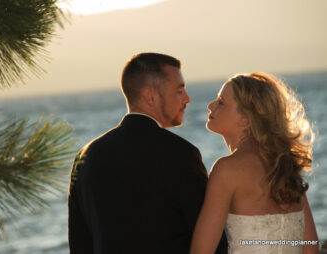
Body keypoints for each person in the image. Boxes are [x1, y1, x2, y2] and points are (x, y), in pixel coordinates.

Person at [68, 52, 228, 254]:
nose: (187, 99)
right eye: (179, 91)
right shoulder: (180, 153)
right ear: (150, 96)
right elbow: (209, 236)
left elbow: (79, 241)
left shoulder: (85, 156)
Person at [190, 72, 319, 254]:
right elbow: (311, 248)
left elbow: (201, 251)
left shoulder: (227, 169)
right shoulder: (286, 166)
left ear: (246, 120)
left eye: (221, 102)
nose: (210, 106)